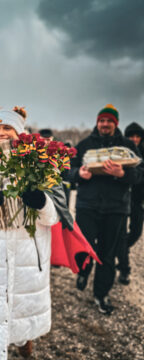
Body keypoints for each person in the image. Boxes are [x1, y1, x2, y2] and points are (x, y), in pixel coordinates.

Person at [0, 108, 59, 359]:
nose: (0, 133)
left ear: (20, 133)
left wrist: (40, 202)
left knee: (24, 312)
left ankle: (23, 343)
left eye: (7, 127)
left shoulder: (41, 164)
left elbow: (53, 217)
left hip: (30, 255)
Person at [68, 104, 142, 315]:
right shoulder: (84, 145)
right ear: (97, 122)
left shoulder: (127, 146)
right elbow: (68, 170)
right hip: (87, 206)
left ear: (115, 124)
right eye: (102, 120)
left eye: (109, 121)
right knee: (84, 247)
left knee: (107, 254)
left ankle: (101, 294)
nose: (105, 124)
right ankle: (83, 271)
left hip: (116, 208)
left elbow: (139, 175)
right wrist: (78, 175)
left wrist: (122, 174)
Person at [116, 122, 144, 284]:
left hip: (137, 200)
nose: (134, 139)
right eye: (131, 136)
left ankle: (118, 249)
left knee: (135, 233)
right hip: (121, 199)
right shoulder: (121, 152)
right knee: (120, 233)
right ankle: (124, 269)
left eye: (137, 136)